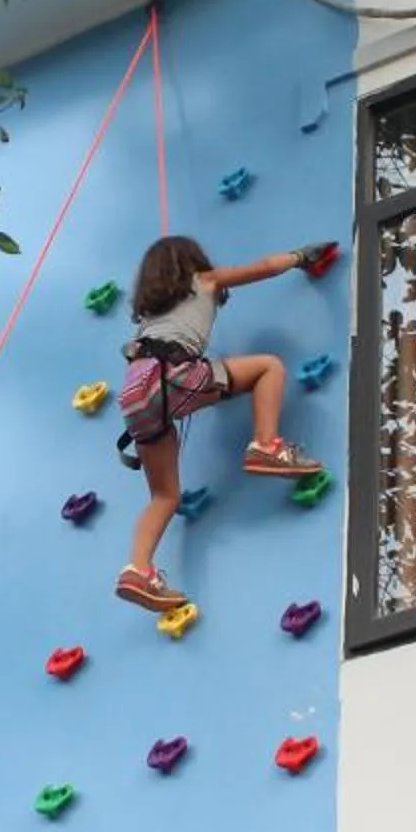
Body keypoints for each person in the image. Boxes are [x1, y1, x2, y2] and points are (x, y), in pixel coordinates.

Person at [113, 234, 332, 612]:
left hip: (135, 395)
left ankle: (138, 569)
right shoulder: (205, 280)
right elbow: (263, 267)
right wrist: (300, 256)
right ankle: (266, 444)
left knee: (164, 496)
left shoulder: (146, 320)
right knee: (268, 368)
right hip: (172, 375)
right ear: (192, 263)